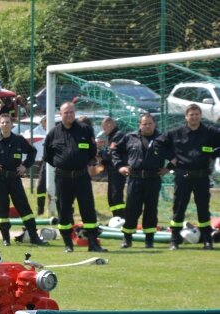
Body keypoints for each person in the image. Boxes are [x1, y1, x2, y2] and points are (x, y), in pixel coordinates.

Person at [43, 102, 106, 253]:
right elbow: (48, 156)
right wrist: (62, 164)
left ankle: (93, 243)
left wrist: (84, 162)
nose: (69, 115)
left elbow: (92, 151)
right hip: (63, 178)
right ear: (61, 114)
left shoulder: (85, 130)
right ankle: (68, 244)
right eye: (66, 113)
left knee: (88, 209)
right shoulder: (53, 133)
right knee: (64, 210)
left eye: (71, 112)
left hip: (81, 176)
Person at [155, 103, 220, 250]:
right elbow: (157, 144)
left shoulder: (210, 132)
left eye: (197, 114)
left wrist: (213, 154)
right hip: (182, 175)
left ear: (200, 116)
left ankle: (207, 240)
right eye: (191, 114)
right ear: (186, 117)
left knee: (203, 208)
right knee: (179, 207)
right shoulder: (176, 133)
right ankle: (175, 240)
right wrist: (171, 158)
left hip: (202, 176)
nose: (194, 117)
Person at [0, 112, 44, 246]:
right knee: (2, 208)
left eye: (7, 122)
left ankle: (34, 236)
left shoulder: (19, 140)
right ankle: (5, 238)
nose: (5, 124)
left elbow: (32, 151)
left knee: (24, 207)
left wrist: (25, 165)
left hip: (15, 178)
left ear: (12, 125)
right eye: (2, 122)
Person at [111, 113, 167, 249]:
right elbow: (114, 151)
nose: (147, 126)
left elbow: (176, 153)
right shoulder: (130, 137)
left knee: (151, 210)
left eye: (150, 123)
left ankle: (149, 240)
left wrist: (169, 168)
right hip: (134, 178)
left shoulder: (162, 139)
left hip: (152, 178)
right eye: (144, 124)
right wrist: (120, 166)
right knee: (131, 210)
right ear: (139, 125)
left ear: (154, 124)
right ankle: (127, 238)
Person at [98, 117, 126, 217]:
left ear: (110, 124)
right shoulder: (112, 136)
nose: (104, 131)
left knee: (116, 195)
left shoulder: (118, 136)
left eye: (104, 127)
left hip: (118, 170)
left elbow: (112, 154)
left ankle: (122, 217)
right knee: (111, 196)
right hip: (112, 170)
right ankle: (116, 217)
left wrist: (101, 151)